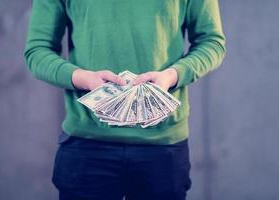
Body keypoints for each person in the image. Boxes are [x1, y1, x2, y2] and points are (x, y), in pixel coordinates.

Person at [24, 0, 226, 199]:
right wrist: (84, 79)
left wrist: (172, 75)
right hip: (87, 143)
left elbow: (212, 42)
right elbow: (37, 50)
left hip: (162, 145)